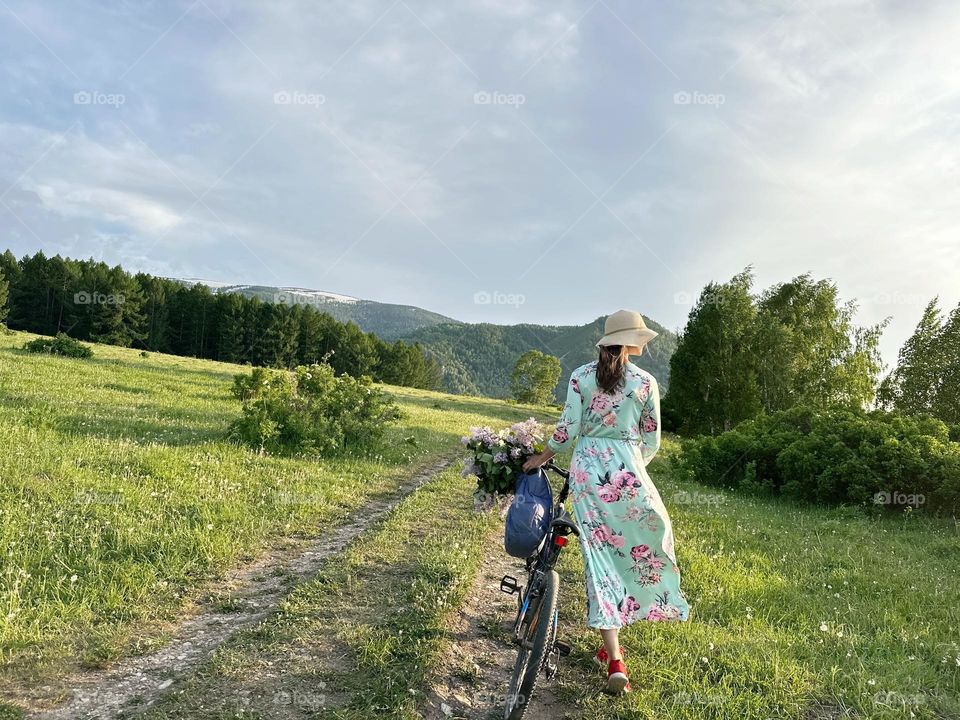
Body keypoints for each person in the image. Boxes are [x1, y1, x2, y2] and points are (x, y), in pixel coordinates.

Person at [523, 309, 690, 694]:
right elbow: (652, 442)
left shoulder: (582, 376)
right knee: (645, 545)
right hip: (628, 478)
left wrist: (540, 458)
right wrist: (629, 464)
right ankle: (621, 643)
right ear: (631, 340)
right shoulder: (646, 383)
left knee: (597, 560)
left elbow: (566, 432)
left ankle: (614, 656)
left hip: (586, 477)